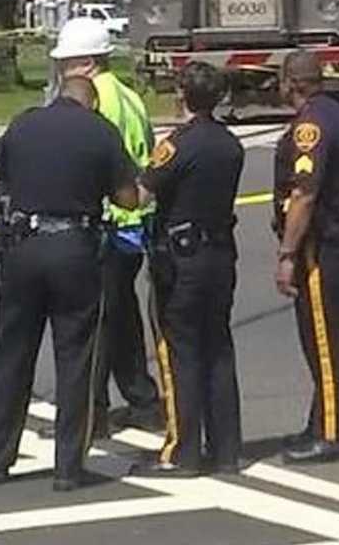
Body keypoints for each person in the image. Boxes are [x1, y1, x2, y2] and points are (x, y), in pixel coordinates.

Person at [0, 76, 139, 491]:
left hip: (23, 246)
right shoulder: (100, 131)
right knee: (77, 357)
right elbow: (127, 198)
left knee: (11, 355)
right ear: (92, 103)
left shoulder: (23, 124)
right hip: (75, 246)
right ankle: (68, 467)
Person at [47, 17, 160, 437]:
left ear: (88, 62)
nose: (62, 71)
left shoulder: (98, 102)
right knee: (119, 315)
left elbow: (92, 161)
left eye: (68, 63)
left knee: (92, 320)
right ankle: (141, 398)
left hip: (109, 222)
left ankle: (90, 412)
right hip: (135, 222)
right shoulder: (129, 96)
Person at [135, 61, 244, 477]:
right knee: (217, 346)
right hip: (220, 253)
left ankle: (182, 450)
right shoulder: (230, 144)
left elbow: (141, 195)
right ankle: (226, 448)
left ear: (182, 95)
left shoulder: (177, 144)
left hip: (183, 258)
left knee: (179, 350)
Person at [274, 51, 339, 463]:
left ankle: (332, 433)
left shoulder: (311, 125)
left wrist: (287, 252)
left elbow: (304, 192)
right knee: (322, 339)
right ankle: (322, 419)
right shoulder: (338, 114)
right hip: (337, 231)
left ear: (290, 83)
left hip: (319, 242)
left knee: (324, 342)